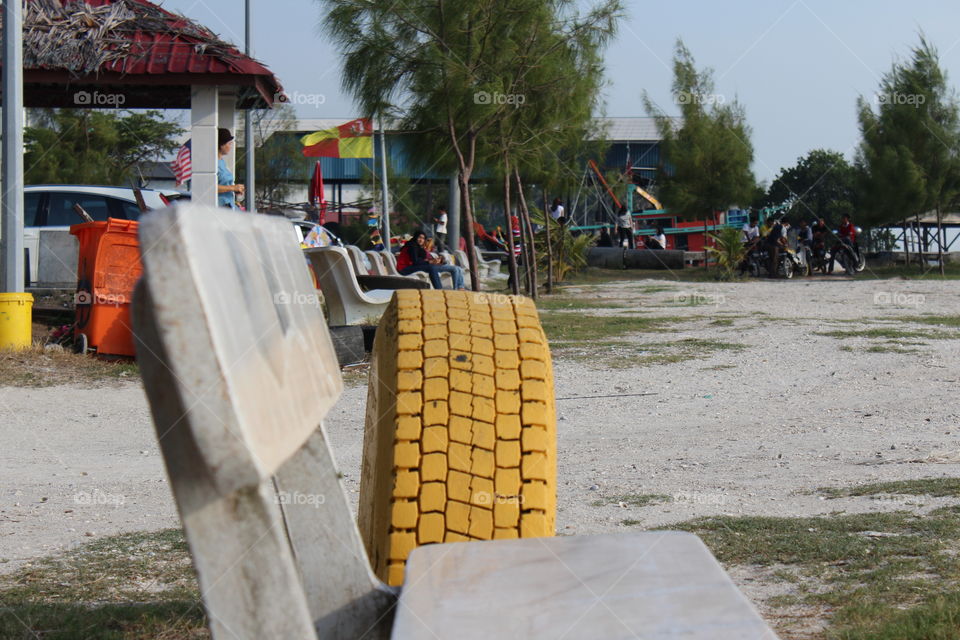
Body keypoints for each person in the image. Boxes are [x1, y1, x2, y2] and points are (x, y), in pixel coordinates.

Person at [397, 231, 464, 290]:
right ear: (415, 237)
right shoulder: (412, 246)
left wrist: (435, 261)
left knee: (456, 268)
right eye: (419, 237)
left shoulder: (419, 248)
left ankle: (459, 288)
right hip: (405, 269)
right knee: (432, 267)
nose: (421, 240)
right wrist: (429, 262)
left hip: (415, 266)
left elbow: (422, 260)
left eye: (423, 238)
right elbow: (415, 261)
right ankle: (439, 290)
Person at [216, 128, 244, 209]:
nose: (230, 146)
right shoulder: (213, 164)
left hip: (229, 204)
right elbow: (210, 187)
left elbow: (225, 185)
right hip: (222, 207)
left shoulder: (222, 162)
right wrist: (232, 188)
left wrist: (234, 191)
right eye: (229, 143)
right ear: (222, 145)